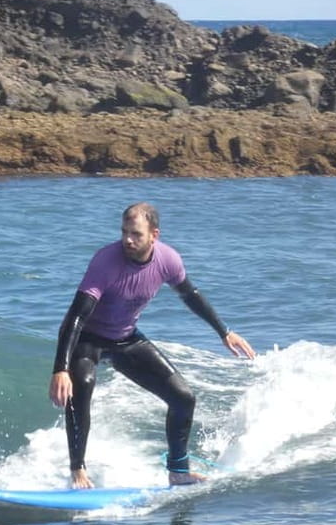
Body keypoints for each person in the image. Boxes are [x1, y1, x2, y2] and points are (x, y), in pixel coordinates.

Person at [49, 202, 255, 488]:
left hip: (125, 338)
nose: (127, 240)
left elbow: (190, 294)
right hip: (88, 338)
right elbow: (76, 316)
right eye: (124, 232)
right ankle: (78, 470)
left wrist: (224, 332)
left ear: (154, 235)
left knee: (184, 398)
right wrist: (61, 369)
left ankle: (178, 471)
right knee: (82, 384)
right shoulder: (105, 261)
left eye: (136, 234)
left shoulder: (168, 260)